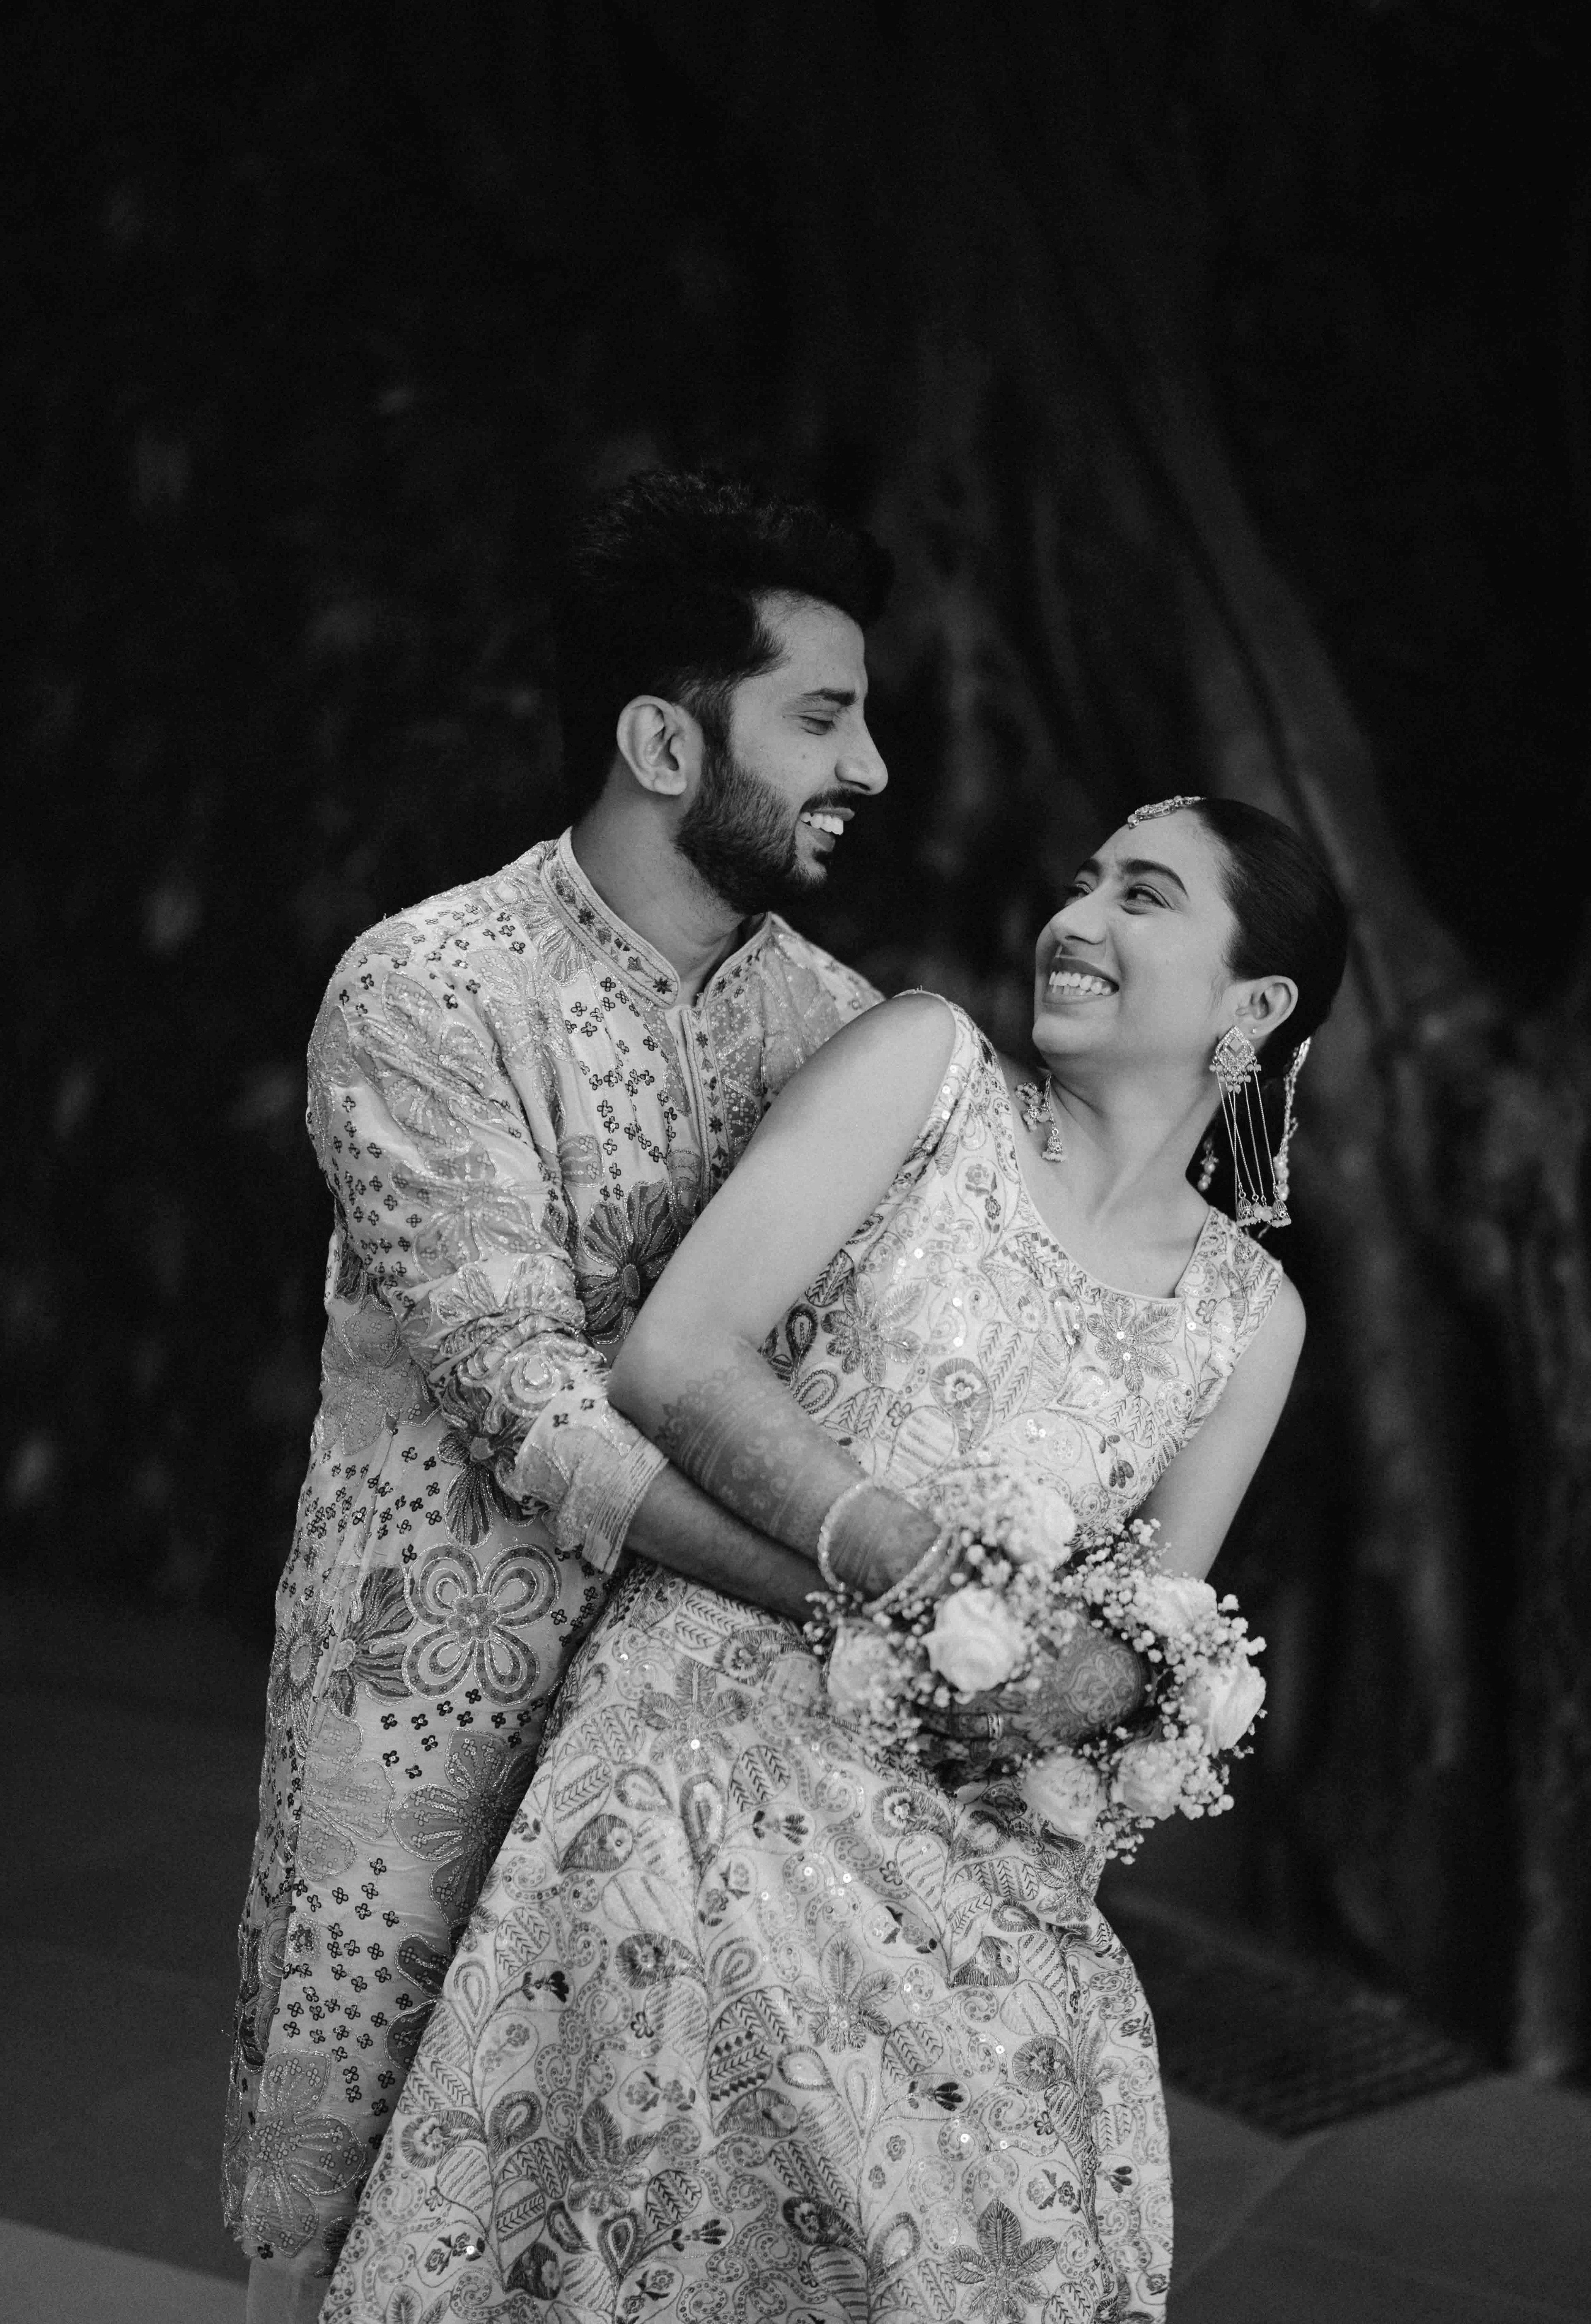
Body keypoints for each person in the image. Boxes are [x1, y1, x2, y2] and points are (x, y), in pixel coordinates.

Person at [322, 795, 1349, 2324]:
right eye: (1082, 882)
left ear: (1253, 1006)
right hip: (707, 1755)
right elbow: (676, 1360)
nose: (1075, 920)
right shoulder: (926, 1073)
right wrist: (917, 1574)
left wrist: (1100, 1685)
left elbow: (1153, 1628)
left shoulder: (1247, 1317)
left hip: (974, 1857)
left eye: (1143, 897)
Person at [225, 469, 912, 2320]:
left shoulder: (847, 1035)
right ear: (662, 741)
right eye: (823, 718)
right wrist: (844, 1593)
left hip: (706, 1750)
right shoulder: (430, 989)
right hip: (432, 1717)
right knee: (358, 2221)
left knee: (635, 2231)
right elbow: (521, 1395)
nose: (869, 768)